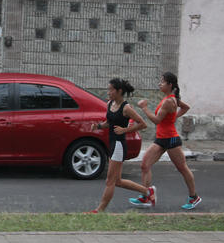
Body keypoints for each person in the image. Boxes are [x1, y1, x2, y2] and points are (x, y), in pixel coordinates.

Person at [130, 71, 201, 210]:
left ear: (170, 84)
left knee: (182, 169)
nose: (159, 84)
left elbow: (156, 120)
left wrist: (144, 108)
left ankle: (194, 197)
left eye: (162, 82)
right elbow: (185, 108)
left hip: (171, 140)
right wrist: (174, 118)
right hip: (161, 139)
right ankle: (146, 196)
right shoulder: (171, 98)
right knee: (145, 165)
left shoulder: (169, 101)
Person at [86, 78, 155, 213]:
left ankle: (99, 210)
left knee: (110, 181)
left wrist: (125, 130)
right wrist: (98, 126)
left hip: (119, 145)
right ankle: (148, 191)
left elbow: (142, 124)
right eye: (108, 89)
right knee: (117, 181)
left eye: (111, 89)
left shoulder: (126, 108)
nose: (108, 92)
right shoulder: (110, 104)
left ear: (119, 91)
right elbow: (109, 122)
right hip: (112, 143)